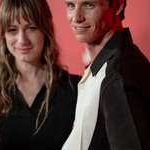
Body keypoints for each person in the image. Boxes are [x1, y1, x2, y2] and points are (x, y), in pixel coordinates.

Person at [0, 0, 81, 149]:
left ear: (46, 29)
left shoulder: (75, 89)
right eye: (12, 30)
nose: (22, 40)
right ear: (4, 34)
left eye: (31, 28)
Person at [62, 0, 150, 149]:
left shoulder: (117, 77)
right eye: (71, 5)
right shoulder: (104, 67)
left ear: (116, 6)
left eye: (88, 5)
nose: (76, 17)